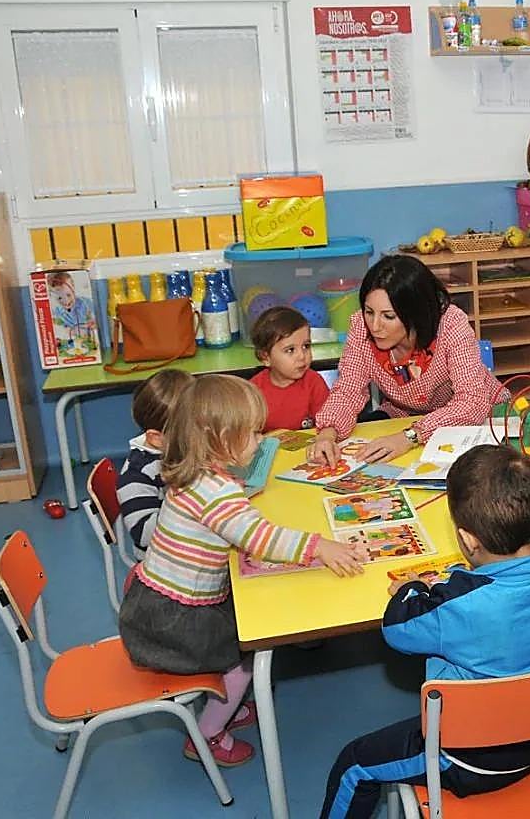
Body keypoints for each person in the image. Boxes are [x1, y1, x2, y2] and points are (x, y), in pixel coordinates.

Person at [118, 374, 368, 767]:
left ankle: (223, 705)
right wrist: (320, 546)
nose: (261, 440)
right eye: (252, 433)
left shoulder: (193, 472)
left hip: (158, 602)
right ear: (217, 439)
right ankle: (208, 734)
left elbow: (242, 529)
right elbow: (262, 539)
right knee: (248, 658)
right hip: (174, 621)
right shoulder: (215, 491)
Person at [320, 445, 530, 818]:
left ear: (468, 540)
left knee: (353, 764)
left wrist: (413, 588)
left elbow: (397, 629)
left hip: (470, 760)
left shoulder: (458, 603)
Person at [311, 254, 505, 466]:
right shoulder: (361, 327)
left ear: (415, 313)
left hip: (482, 419)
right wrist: (327, 434)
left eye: (389, 316)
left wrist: (411, 436)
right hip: (404, 419)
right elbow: (349, 389)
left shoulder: (450, 324)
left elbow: (472, 402)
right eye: (369, 312)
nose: (375, 326)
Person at [116, 369, 195, 554]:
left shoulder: (178, 448)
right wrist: (193, 506)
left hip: (190, 542)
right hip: (163, 561)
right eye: (193, 431)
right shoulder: (136, 476)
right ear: (156, 438)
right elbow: (143, 535)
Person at [249, 306, 331, 432]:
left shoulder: (314, 382)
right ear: (266, 357)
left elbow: (328, 423)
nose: (302, 356)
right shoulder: (253, 391)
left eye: (306, 346)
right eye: (290, 350)